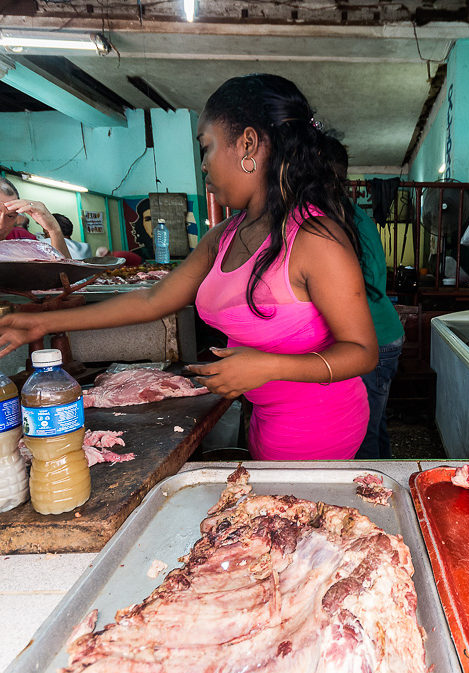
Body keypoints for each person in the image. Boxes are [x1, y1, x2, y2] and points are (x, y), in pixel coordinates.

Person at [0, 73, 377, 461]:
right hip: (264, 414)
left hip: (317, 424)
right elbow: (153, 299)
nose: (203, 167)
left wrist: (268, 366)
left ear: (247, 143)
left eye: (207, 147)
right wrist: (45, 322)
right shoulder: (226, 234)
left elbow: (363, 352)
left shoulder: (314, 237)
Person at [326, 138, 405, 459]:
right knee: (374, 424)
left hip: (373, 340)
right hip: (383, 335)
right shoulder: (354, 216)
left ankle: (373, 501)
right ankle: (387, 482)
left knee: (362, 435)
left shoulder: (337, 222)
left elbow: (353, 290)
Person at [0, 178, 72, 258]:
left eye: (10, 216)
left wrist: (54, 230)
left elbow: (63, 270)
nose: (1, 224)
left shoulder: (22, 240)